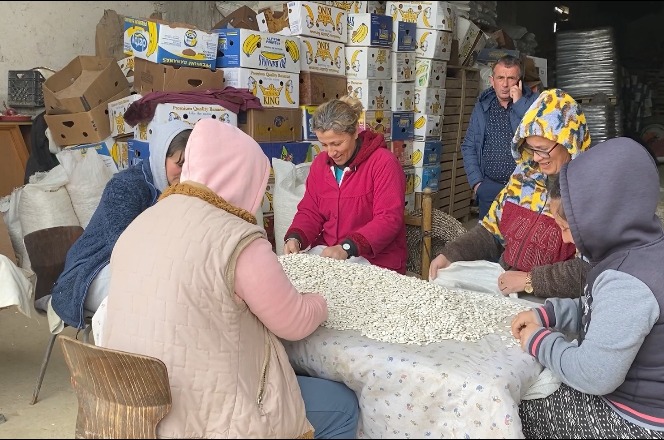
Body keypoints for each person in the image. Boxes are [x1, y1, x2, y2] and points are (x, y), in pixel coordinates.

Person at [101, 119, 359, 439]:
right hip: (205, 415)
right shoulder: (239, 239)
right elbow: (294, 322)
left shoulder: (141, 223)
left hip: (131, 408)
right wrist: (320, 300)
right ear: (245, 178)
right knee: (343, 406)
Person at [512, 137, 664, 438]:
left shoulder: (628, 282)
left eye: (568, 229)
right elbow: (601, 309)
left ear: (600, 219)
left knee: (510, 408)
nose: (566, 240)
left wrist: (538, 341)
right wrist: (550, 316)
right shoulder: (652, 248)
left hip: (642, 425)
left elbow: (594, 375)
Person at [430, 89, 592, 299]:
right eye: (531, 149)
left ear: (568, 142)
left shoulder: (590, 193)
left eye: (542, 149)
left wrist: (529, 280)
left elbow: (588, 270)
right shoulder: (523, 177)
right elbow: (491, 232)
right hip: (507, 290)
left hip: (554, 305)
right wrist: (451, 254)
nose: (536, 158)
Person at [49, 120, 192, 330]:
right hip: (95, 268)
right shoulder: (126, 186)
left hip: (149, 269)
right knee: (156, 305)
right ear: (162, 155)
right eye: (179, 164)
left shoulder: (190, 190)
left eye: (192, 164)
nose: (185, 172)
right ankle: (137, 361)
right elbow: (123, 248)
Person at [283, 96, 407, 274]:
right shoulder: (320, 165)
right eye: (324, 144)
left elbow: (388, 219)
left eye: (337, 143)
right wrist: (296, 237)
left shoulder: (383, 163)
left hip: (376, 259)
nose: (331, 152)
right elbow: (310, 211)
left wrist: (347, 247)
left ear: (355, 131)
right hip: (330, 251)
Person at [462, 55, 540, 220]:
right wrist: (477, 184)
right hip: (489, 188)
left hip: (525, 188)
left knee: (520, 241)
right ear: (492, 80)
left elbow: (536, 135)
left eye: (511, 78)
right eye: (500, 78)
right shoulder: (482, 106)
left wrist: (519, 104)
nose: (505, 84)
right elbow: (469, 145)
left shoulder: (534, 104)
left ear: (519, 82)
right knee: (488, 242)